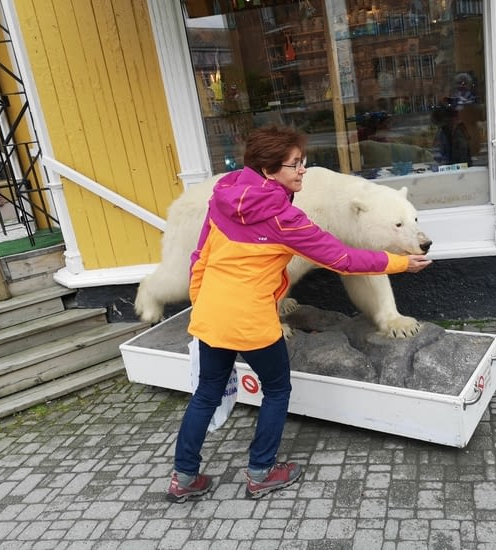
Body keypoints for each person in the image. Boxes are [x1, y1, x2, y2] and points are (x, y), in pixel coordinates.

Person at [167, 125, 432, 503]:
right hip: (252, 321)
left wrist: (202, 301)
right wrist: (400, 263)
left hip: (211, 314)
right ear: (268, 171)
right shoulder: (282, 219)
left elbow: (201, 257)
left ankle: (184, 478)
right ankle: (260, 472)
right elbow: (342, 258)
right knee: (277, 390)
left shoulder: (222, 196)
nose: (303, 170)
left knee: (206, 393)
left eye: (302, 162)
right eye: (294, 165)